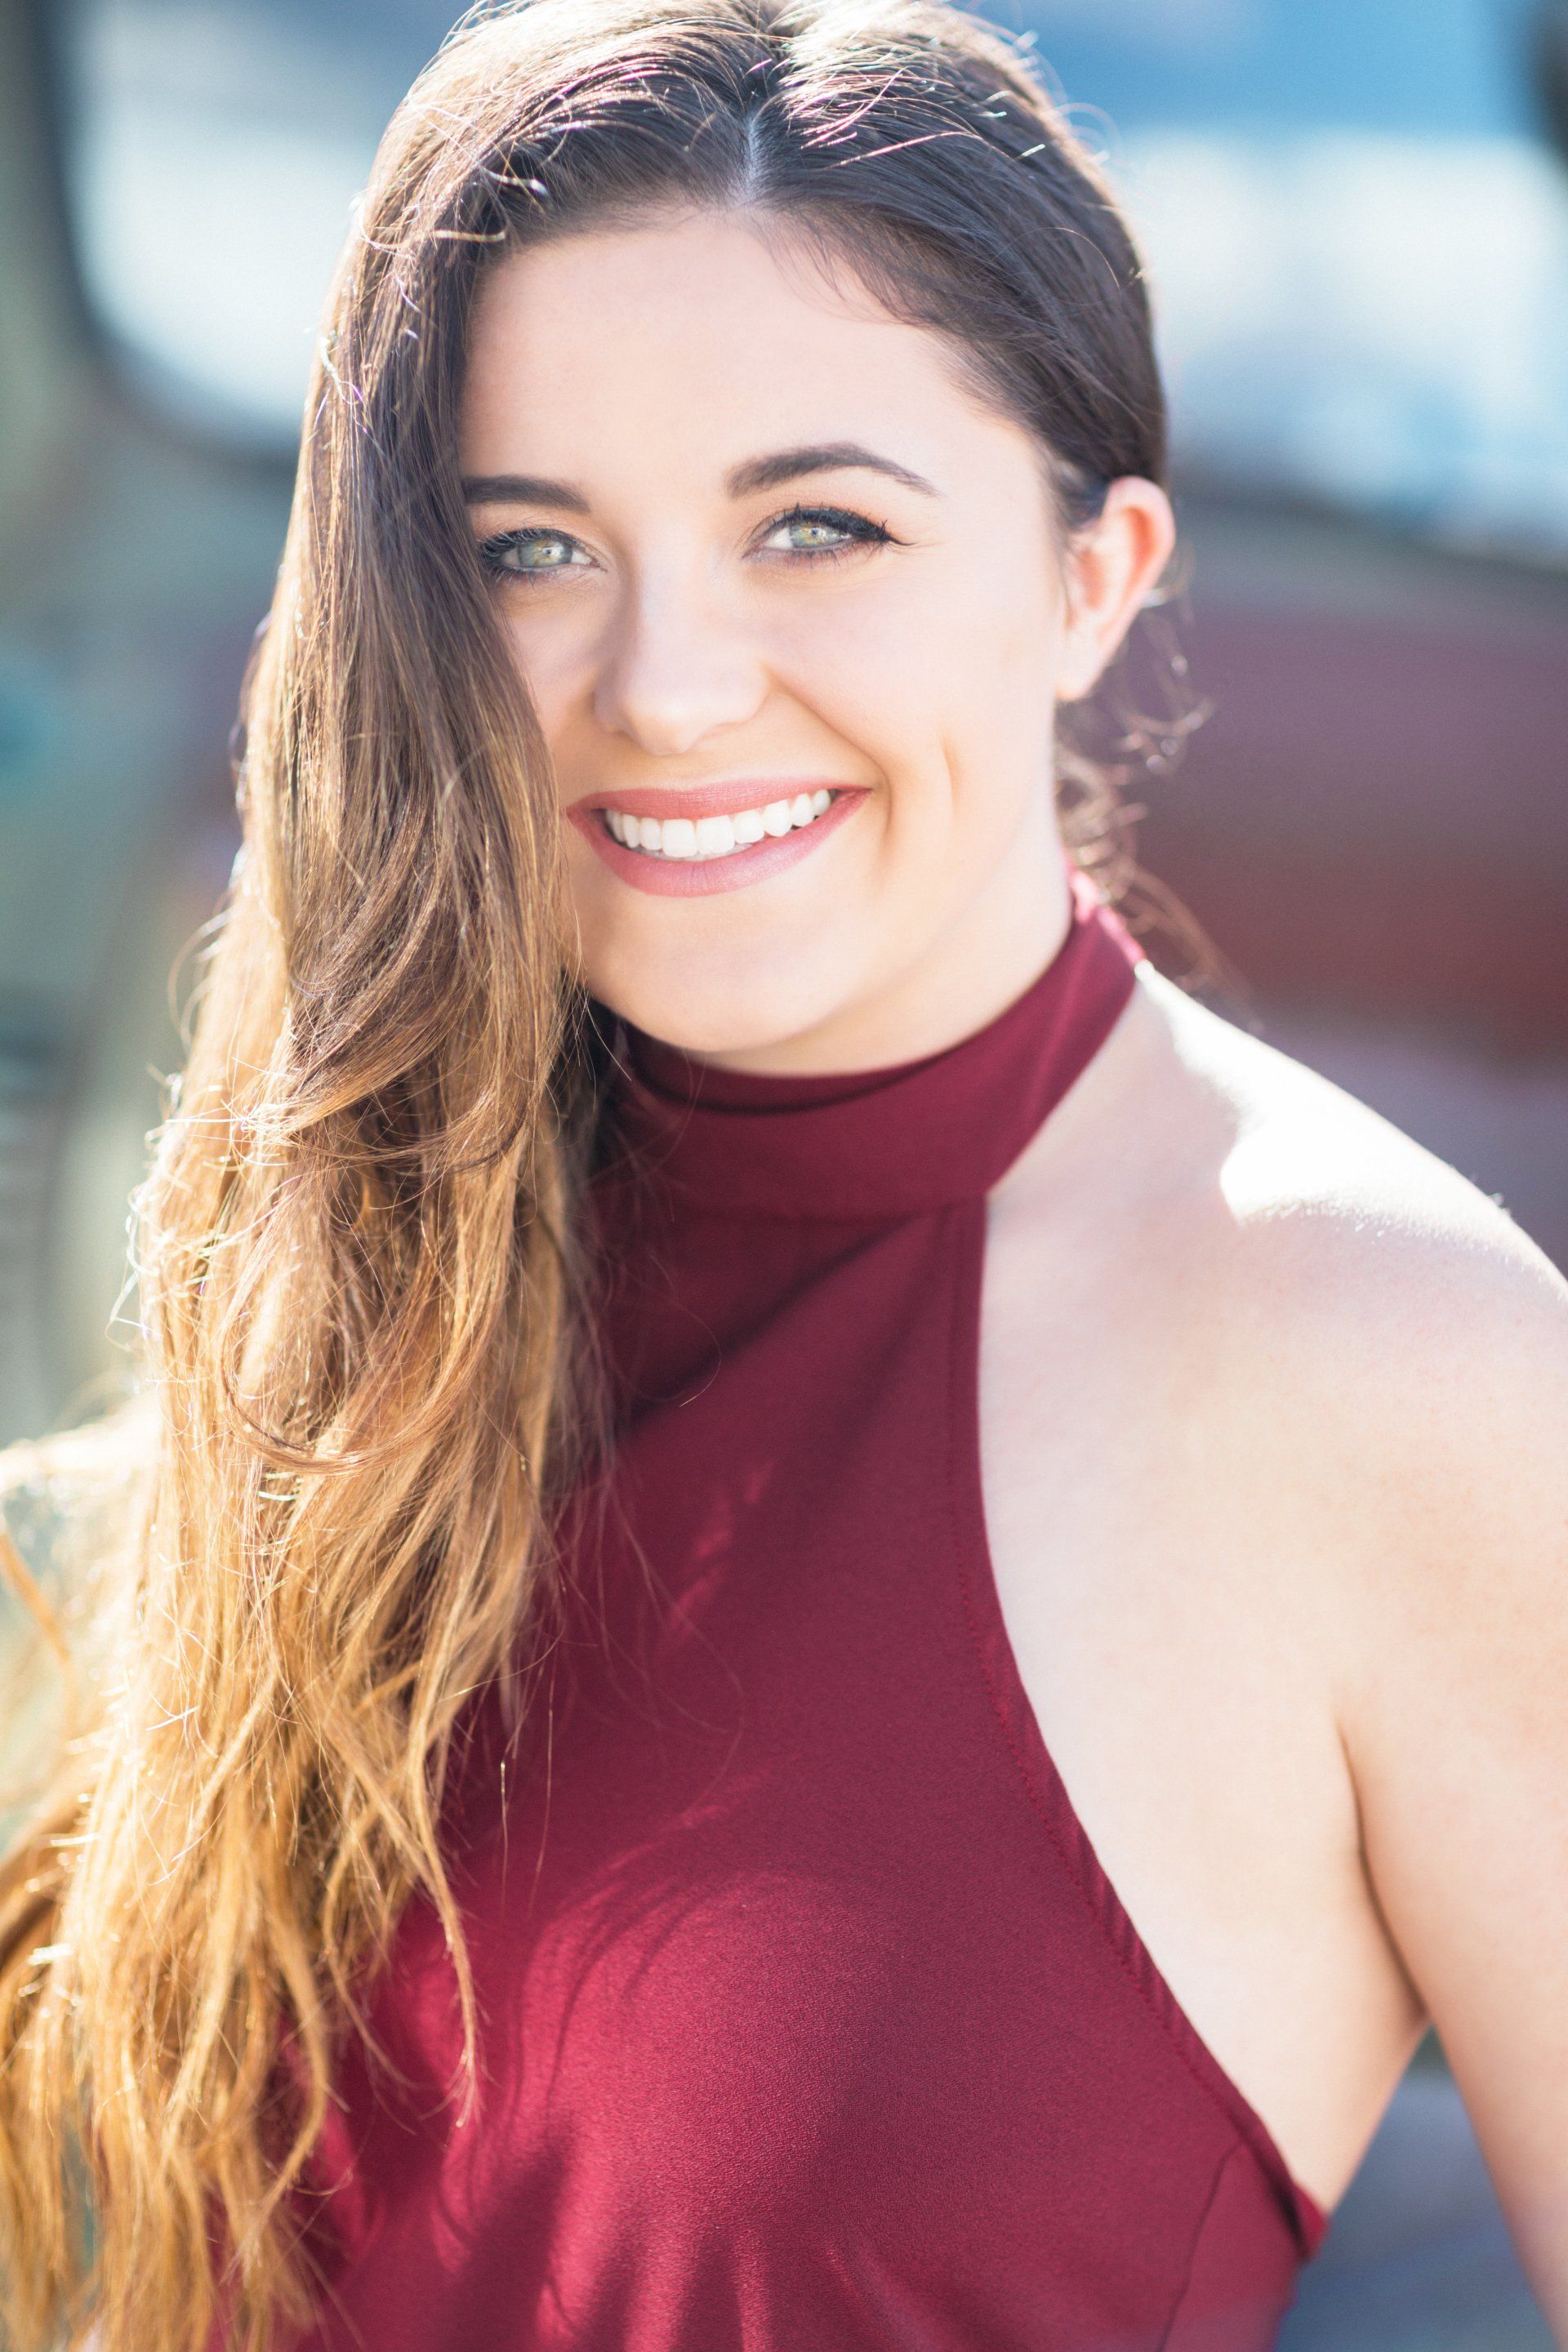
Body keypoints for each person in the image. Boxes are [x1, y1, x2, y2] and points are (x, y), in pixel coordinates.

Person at [2, 0, 1566, 2345]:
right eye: (534, 548)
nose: (664, 684)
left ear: (1095, 575)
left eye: (817, 526)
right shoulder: (347, 1250)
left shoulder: (1386, 1356)